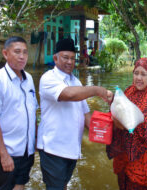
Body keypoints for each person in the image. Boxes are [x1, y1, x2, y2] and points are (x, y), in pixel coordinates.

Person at [37, 38, 113, 190]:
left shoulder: (76, 82)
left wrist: (108, 131)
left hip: (70, 149)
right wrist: (97, 90)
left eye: (72, 58)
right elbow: (69, 95)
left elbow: (85, 116)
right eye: (65, 57)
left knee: (63, 186)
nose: (70, 62)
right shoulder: (48, 78)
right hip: (53, 149)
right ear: (55, 58)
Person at [0, 36, 38, 190]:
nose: (22, 56)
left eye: (25, 52)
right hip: (9, 150)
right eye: (17, 52)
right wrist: (4, 154)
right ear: (5, 54)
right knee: (4, 186)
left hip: (27, 150)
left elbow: (32, 112)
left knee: (20, 184)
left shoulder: (29, 79)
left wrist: (36, 139)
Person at [107, 58, 147, 190]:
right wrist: (111, 104)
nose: (138, 78)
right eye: (136, 73)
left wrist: (121, 123)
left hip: (141, 158)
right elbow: (118, 111)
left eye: (143, 74)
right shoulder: (128, 91)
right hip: (123, 155)